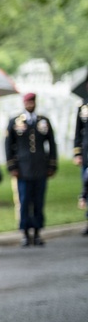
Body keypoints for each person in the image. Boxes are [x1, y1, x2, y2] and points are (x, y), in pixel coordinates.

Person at [5, 92, 58, 246]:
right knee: (24, 200)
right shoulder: (15, 122)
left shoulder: (43, 121)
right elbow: (9, 145)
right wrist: (12, 166)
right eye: (27, 102)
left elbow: (52, 144)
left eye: (32, 101)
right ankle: (25, 231)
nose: (30, 104)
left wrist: (52, 164)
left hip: (40, 167)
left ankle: (37, 231)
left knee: (38, 200)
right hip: (23, 168)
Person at [75, 99, 88, 234]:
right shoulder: (83, 106)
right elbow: (78, 130)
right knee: (86, 182)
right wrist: (77, 152)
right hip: (87, 152)